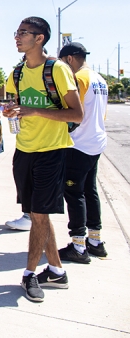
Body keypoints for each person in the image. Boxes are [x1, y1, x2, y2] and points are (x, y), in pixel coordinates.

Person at [4, 16, 83, 302]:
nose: (17, 37)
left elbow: (76, 114)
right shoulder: (16, 73)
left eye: (24, 33)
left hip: (52, 150)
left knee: (38, 214)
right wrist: (11, 112)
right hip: (24, 150)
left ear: (40, 38)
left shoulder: (58, 70)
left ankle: (29, 275)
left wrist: (36, 111)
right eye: (17, 32)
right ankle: (57, 271)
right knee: (39, 213)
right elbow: (13, 106)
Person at [57, 42, 108, 263]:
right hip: (96, 141)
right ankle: (95, 241)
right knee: (89, 190)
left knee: (74, 192)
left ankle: (78, 245)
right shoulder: (100, 79)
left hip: (79, 143)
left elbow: (74, 114)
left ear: (69, 59)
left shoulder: (78, 78)